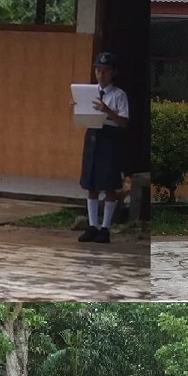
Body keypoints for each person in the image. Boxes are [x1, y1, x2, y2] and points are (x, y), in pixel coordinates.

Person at [78, 52, 129, 244]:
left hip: (110, 138)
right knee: (91, 184)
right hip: (93, 136)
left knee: (109, 185)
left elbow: (124, 122)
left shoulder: (119, 95)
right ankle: (92, 226)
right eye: (98, 70)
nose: (101, 75)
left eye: (106, 71)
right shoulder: (89, 93)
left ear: (113, 73)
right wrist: (77, 107)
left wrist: (107, 110)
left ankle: (105, 227)